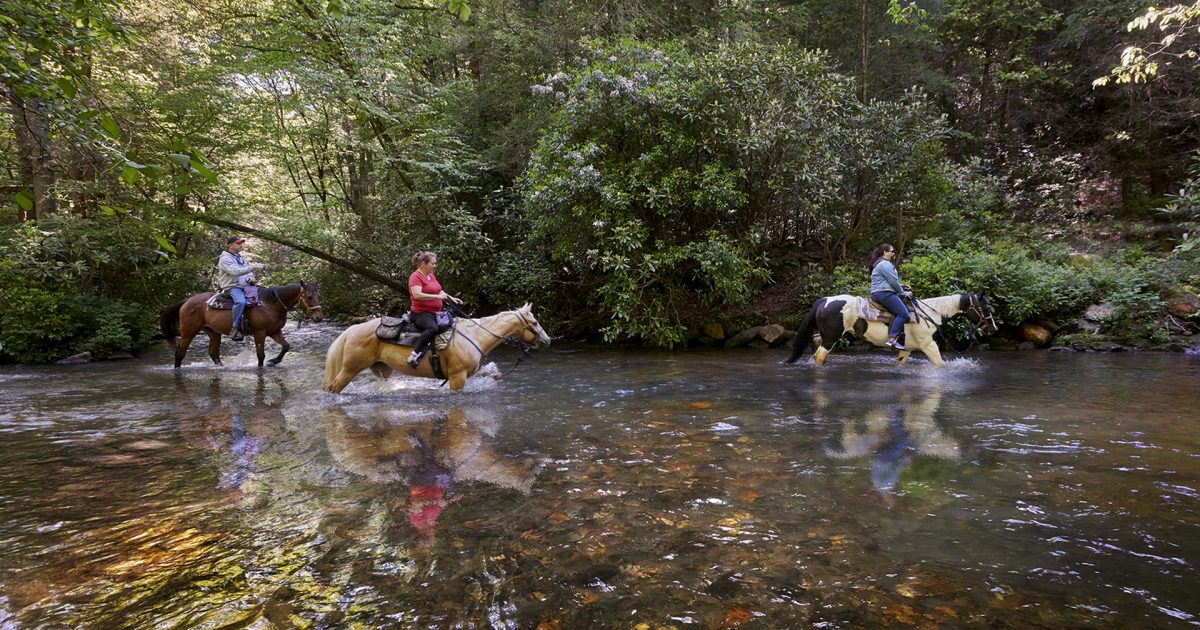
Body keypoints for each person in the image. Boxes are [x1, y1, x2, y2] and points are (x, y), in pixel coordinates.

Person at [406, 251, 463, 368]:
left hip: (436, 312)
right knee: (433, 328)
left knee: (453, 323)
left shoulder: (430, 275)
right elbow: (417, 295)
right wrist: (437, 297)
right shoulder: (415, 276)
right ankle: (414, 355)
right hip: (420, 313)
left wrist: (451, 298)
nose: (435, 266)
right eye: (433, 263)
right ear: (423, 264)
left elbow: (438, 290)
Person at [216, 236, 265, 342]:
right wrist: (254, 266)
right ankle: (234, 328)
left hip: (245, 286)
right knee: (241, 302)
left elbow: (247, 271)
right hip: (232, 286)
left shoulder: (240, 257)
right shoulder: (225, 258)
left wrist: (250, 277)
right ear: (230, 245)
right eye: (238, 243)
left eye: (241, 243)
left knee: (262, 297)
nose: (240, 245)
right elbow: (235, 271)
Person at [869, 243, 912, 350]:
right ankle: (892, 339)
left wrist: (903, 286)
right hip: (885, 293)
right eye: (892, 251)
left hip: (881, 291)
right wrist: (904, 293)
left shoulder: (881, 263)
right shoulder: (885, 264)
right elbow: (893, 282)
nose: (893, 253)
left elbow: (890, 281)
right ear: (885, 252)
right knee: (903, 314)